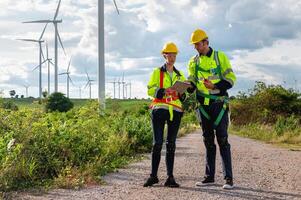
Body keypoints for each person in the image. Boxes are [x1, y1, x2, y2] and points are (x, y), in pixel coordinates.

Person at [187, 29, 236, 189]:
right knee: (208, 141)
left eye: (198, 45)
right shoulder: (193, 62)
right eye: (194, 45)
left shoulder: (220, 57)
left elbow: (230, 80)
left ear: (206, 42)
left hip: (219, 104)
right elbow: (192, 83)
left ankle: (228, 179)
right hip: (203, 107)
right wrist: (185, 88)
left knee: (222, 139)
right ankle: (209, 177)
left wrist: (214, 85)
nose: (196, 48)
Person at [144, 42, 187, 188]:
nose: (172, 56)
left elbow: (184, 96)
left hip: (175, 111)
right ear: (164, 55)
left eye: (174, 54)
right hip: (159, 109)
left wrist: (180, 94)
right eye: (169, 54)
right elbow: (150, 89)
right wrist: (161, 91)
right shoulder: (157, 72)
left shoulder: (180, 75)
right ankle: (153, 176)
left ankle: (170, 177)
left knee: (171, 144)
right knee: (157, 143)